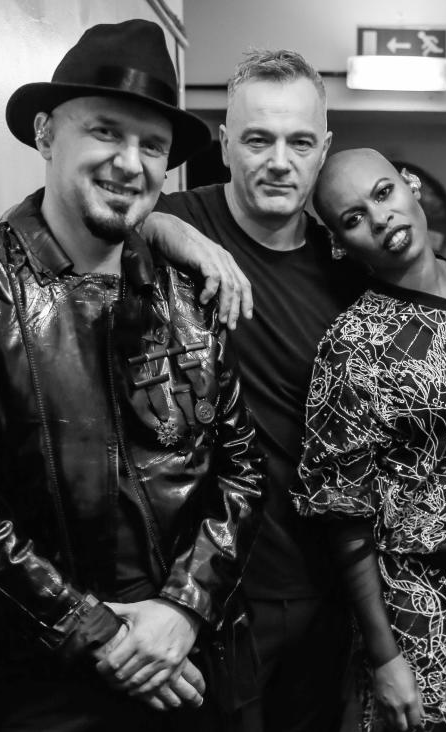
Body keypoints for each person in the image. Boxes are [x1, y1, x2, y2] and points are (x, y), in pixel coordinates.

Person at [0, 20, 264, 731]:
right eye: (106, 132)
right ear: (45, 134)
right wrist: (98, 631)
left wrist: (183, 608)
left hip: (195, 663)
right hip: (49, 681)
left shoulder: (189, 291)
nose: (129, 163)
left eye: (152, 146)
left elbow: (243, 465)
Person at [143, 49, 359, 732]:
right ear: (225, 142)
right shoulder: (179, 220)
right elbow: (92, 213)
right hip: (205, 589)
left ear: (323, 150)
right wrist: (172, 230)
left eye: (299, 142)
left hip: (325, 584)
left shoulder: (345, 268)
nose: (278, 160)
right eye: (258, 139)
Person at [293, 148, 446, 732]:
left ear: (411, 187)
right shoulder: (353, 344)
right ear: (342, 244)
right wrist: (383, 654)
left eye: (383, 193)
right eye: (352, 218)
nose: (379, 218)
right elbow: (342, 513)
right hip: (414, 607)